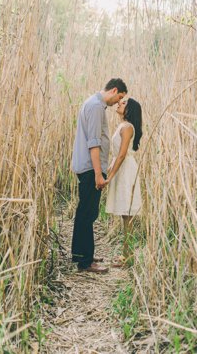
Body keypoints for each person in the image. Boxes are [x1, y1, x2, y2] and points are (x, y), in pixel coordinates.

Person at [70, 78, 127, 274]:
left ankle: (80, 253)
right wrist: (97, 174)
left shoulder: (92, 104)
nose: (117, 102)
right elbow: (93, 143)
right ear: (114, 90)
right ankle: (85, 262)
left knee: (84, 211)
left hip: (86, 167)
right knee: (88, 213)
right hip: (89, 168)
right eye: (119, 97)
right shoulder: (95, 107)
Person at [105, 95, 144, 264]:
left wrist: (111, 175)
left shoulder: (127, 127)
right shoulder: (122, 125)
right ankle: (126, 253)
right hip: (120, 168)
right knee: (123, 213)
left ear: (129, 109)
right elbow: (117, 154)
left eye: (124, 102)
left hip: (125, 170)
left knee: (127, 213)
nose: (120, 103)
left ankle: (127, 255)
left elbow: (121, 154)